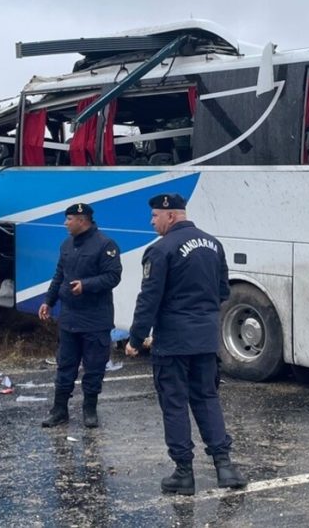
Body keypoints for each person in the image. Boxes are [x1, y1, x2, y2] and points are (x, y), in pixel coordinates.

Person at [125, 193, 247, 495]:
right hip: (206, 340)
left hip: (173, 342)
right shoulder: (213, 244)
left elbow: (149, 299)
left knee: (175, 404)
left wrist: (136, 338)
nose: (152, 222)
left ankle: (183, 473)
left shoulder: (160, 250)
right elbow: (222, 292)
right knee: (207, 398)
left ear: (171, 215)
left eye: (155, 216)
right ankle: (225, 467)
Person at [39, 202, 123, 428]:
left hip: (95, 319)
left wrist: (86, 285)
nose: (65, 223)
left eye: (68, 219)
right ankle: (59, 410)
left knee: (94, 367)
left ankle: (90, 409)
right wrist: (48, 301)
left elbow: (113, 277)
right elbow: (59, 275)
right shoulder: (67, 244)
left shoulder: (105, 245)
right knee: (65, 365)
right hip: (69, 319)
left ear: (82, 220)